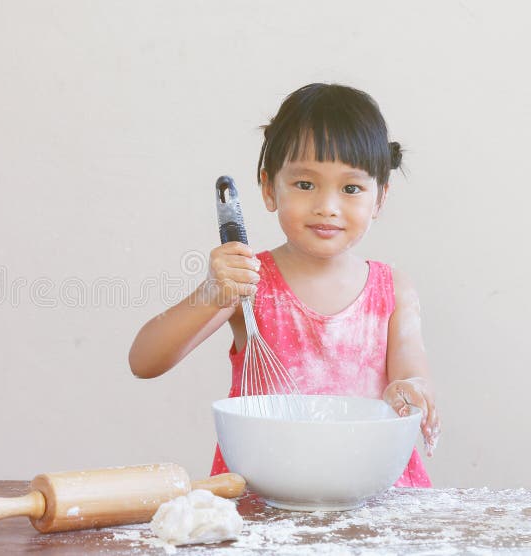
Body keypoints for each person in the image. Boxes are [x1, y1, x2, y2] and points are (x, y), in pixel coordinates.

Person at [128, 83, 441, 487]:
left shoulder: (393, 288)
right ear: (268, 187)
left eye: (351, 188)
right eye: (305, 184)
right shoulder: (247, 281)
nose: (327, 206)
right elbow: (144, 361)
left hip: (371, 490)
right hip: (266, 489)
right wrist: (211, 294)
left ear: (379, 198)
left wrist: (412, 390)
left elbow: (412, 370)